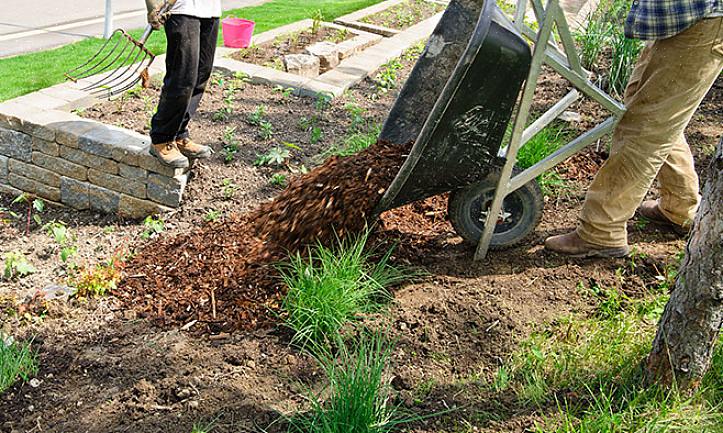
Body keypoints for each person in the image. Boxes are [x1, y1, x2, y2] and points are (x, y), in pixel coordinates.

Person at [545, 0, 723, 257]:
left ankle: (601, 231)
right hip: (686, 19)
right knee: (648, 111)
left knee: (646, 128)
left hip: (703, 21)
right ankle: (679, 206)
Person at [145, 0, 221, 168]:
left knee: (201, 75)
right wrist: (152, 4)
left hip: (211, 9)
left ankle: (179, 133)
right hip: (182, 10)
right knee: (183, 78)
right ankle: (161, 138)